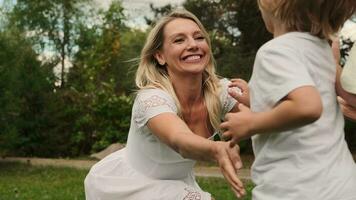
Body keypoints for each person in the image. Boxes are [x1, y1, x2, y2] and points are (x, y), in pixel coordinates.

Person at [84, 9, 246, 200]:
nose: (193, 45)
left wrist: (254, 102)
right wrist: (217, 149)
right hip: (130, 185)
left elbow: (266, 117)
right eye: (179, 40)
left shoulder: (221, 91)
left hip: (175, 184)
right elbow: (179, 139)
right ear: (160, 56)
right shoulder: (151, 98)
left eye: (199, 37)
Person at [221, 0, 356, 199]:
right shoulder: (321, 50)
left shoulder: (274, 51)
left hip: (295, 186)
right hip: (342, 182)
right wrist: (258, 98)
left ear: (270, 5)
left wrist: (251, 123)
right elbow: (347, 97)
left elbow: (307, 107)